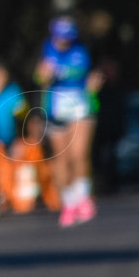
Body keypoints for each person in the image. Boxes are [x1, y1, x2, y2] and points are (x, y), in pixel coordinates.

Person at [34, 16, 102, 228]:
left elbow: (97, 73)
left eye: (68, 38)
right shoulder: (45, 50)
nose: (64, 42)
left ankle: (82, 198)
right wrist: (42, 75)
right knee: (61, 157)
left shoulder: (83, 50)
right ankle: (68, 202)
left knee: (78, 153)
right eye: (60, 38)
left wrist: (95, 83)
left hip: (80, 104)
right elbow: (38, 78)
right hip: (55, 107)